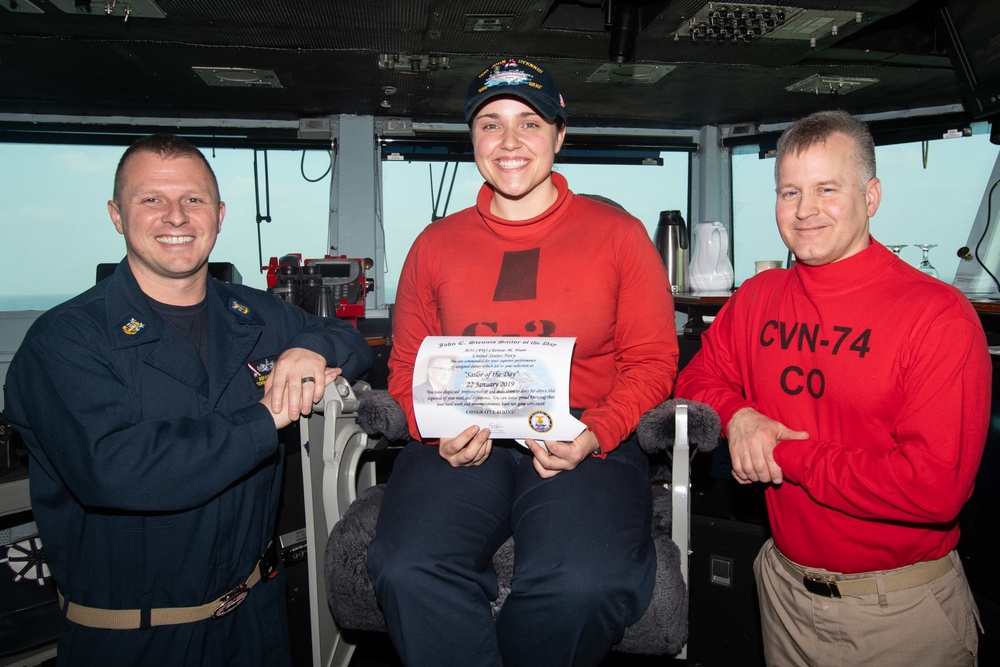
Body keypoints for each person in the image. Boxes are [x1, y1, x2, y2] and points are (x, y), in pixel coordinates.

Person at [3, 134, 371, 666]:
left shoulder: (255, 313)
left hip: (255, 620)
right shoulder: (64, 340)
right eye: (150, 199)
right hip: (135, 639)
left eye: (193, 200)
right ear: (116, 215)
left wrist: (308, 348)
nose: (176, 216)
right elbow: (118, 470)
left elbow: (352, 344)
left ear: (219, 215)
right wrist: (264, 417)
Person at [365, 57, 679, 666]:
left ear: (559, 135)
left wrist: (599, 432)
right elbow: (405, 367)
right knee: (405, 569)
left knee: (585, 581)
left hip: (584, 432)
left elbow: (652, 359)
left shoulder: (619, 234)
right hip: (462, 434)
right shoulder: (433, 245)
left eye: (529, 123)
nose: (509, 142)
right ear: (472, 139)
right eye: (490, 124)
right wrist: (433, 427)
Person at [674, 109, 989, 665]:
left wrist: (786, 455)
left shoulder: (938, 316)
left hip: (897, 610)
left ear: (871, 196)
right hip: (782, 589)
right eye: (789, 192)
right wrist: (740, 418)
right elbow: (697, 378)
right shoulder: (758, 297)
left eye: (826, 188)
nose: (805, 211)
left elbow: (933, 489)